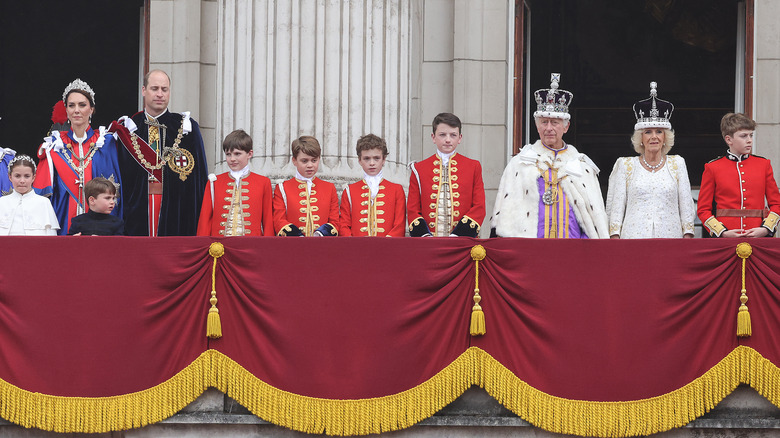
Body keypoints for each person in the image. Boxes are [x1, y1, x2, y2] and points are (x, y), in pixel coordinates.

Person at [490, 73, 608, 238]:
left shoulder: (582, 166)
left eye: (555, 123)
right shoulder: (520, 163)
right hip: (531, 248)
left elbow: (593, 218)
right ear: (537, 126)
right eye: (544, 122)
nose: (549, 128)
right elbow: (504, 214)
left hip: (572, 247)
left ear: (566, 127)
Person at [109, 69, 208, 236]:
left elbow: (199, 178)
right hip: (136, 211)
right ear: (143, 91)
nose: (160, 94)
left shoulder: (186, 127)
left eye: (164, 89)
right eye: (154, 89)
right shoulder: (128, 129)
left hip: (176, 210)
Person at [606, 82, 695, 238]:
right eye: (648, 132)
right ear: (640, 138)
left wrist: (687, 237)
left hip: (670, 240)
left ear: (665, 137)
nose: (654, 136)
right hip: (633, 241)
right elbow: (616, 208)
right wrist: (615, 237)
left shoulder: (677, 163)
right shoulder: (625, 165)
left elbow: (687, 206)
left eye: (659, 131)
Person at [34, 79, 123, 235]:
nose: (76, 110)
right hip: (64, 218)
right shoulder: (55, 145)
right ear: (66, 110)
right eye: (71, 105)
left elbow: (118, 187)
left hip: (102, 224)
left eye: (82, 105)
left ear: (91, 109)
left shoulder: (107, 143)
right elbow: (42, 196)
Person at [697, 113, 780, 237]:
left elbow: (776, 204)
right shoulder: (713, 167)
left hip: (759, 236)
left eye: (751, 135)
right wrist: (722, 232)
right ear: (728, 139)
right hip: (726, 238)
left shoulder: (763, 165)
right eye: (743, 136)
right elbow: (703, 210)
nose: (749, 140)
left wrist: (766, 229)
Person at [407, 113, 485, 237]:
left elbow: (479, 207)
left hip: (462, 241)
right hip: (428, 243)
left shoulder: (473, 166)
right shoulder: (418, 169)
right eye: (442, 135)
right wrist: (424, 236)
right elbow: (412, 209)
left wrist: (458, 235)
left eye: (453, 135)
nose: (448, 140)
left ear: (459, 138)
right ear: (433, 137)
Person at [197, 129, 273, 236]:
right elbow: (205, 220)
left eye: (237, 154)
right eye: (228, 154)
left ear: (249, 154)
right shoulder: (214, 183)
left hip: (252, 246)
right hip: (219, 247)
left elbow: (268, 221)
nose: (232, 159)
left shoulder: (263, 182)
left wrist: (267, 248)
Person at [339, 134, 406, 237]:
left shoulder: (396, 190)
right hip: (357, 250)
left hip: (387, 248)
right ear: (359, 160)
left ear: (384, 159)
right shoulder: (349, 191)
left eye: (376, 158)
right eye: (366, 158)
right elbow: (344, 225)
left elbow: (399, 225)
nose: (371, 163)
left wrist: (386, 244)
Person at [273, 136, 339, 236]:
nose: (310, 165)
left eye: (314, 160)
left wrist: (321, 234)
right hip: (293, 247)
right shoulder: (282, 188)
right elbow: (279, 220)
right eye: (304, 161)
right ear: (294, 161)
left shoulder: (329, 188)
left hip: (323, 246)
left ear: (319, 159)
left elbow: (335, 221)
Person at [0, 155, 59, 236]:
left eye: (27, 176)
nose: (22, 181)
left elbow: (51, 239)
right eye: (17, 176)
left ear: (33, 177)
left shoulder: (44, 203)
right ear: (10, 177)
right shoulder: (2, 202)